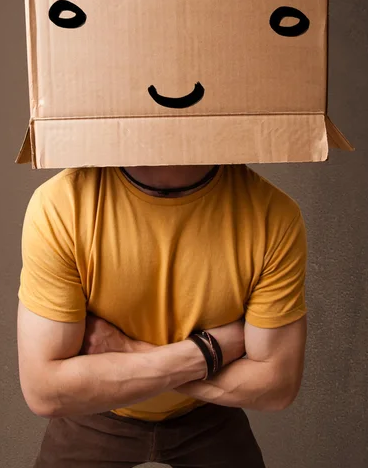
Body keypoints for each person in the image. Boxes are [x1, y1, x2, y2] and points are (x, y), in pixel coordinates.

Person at [17, 163, 307, 467]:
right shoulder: (62, 203)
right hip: (96, 411)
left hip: (206, 412)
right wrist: (209, 353)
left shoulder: (273, 215)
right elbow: (44, 391)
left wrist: (130, 350)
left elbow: (277, 386)